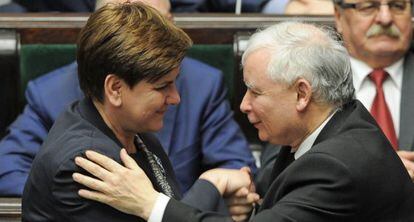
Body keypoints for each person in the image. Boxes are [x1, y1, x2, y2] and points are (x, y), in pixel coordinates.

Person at [73, 21, 414, 221]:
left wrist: (151, 204)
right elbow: (275, 187)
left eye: (255, 92)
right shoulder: (338, 123)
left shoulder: (338, 166)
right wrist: (242, 190)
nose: (245, 105)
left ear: (302, 94)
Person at [22, 3, 257, 221]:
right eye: (162, 86)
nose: (176, 98)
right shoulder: (87, 165)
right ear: (115, 88)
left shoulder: (132, 130)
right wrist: (210, 184)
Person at [333, 0, 414, 179]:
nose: (385, 19)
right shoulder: (312, 83)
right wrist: (369, 170)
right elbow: (274, 172)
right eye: (368, 7)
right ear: (339, 17)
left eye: (397, 6)